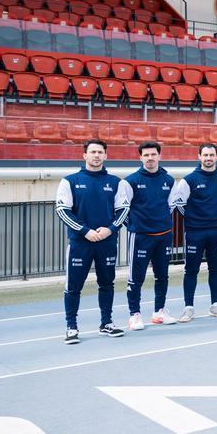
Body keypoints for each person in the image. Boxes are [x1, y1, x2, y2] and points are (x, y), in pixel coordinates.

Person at [57, 139, 131, 343]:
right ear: (84, 155)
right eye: (93, 152)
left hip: (106, 242)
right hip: (80, 243)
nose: (96, 155)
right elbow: (62, 211)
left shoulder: (117, 182)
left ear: (106, 156)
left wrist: (110, 229)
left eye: (100, 152)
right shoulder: (69, 181)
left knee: (107, 283)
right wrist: (85, 231)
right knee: (73, 286)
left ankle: (106, 323)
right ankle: (71, 327)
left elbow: (123, 210)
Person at [171, 143, 217, 322]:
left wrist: (215, 218)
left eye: (211, 155)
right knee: (191, 269)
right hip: (195, 232)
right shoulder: (189, 180)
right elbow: (179, 203)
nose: (208, 158)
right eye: (205, 155)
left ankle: (216, 305)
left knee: (216, 269)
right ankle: (188, 308)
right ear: (199, 156)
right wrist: (193, 218)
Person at [124, 141, 177, 330]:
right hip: (140, 236)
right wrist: (135, 226)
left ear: (159, 156)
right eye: (146, 155)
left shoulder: (169, 180)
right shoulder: (130, 181)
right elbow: (123, 210)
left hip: (163, 236)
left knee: (162, 276)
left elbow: (170, 207)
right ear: (140, 157)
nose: (150, 158)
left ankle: (159, 312)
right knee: (135, 278)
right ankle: (134, 315)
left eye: (153, 154)